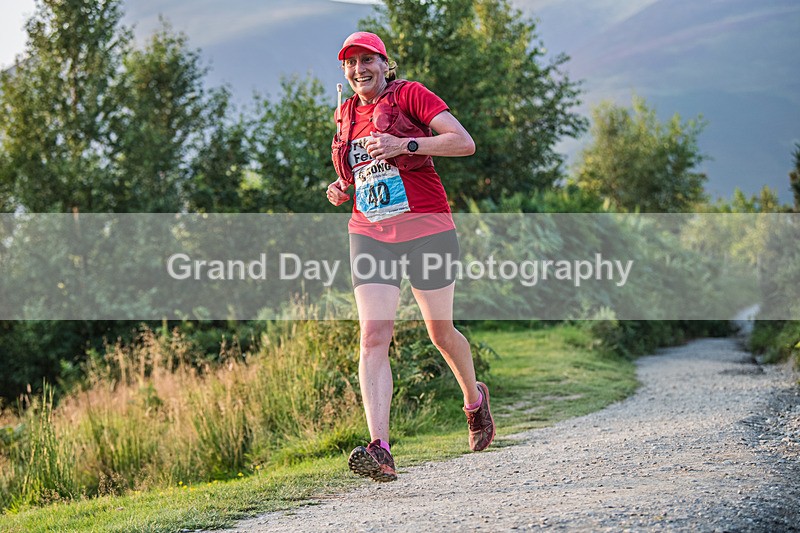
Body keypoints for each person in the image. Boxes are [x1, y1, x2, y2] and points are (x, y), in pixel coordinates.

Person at [326, 31, 494, 483]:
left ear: (385, 64)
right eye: (350, 63)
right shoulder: (345, 113)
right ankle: (380, 448)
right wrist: (343, 187)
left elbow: (463, 142)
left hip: (427, 229)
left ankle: (474, 400)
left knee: (439, 333)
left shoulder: (412, 96)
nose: (358, 69)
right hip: (370, 233)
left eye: (366, 60)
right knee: (373, 336)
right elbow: (359, 172)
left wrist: (407, 145)